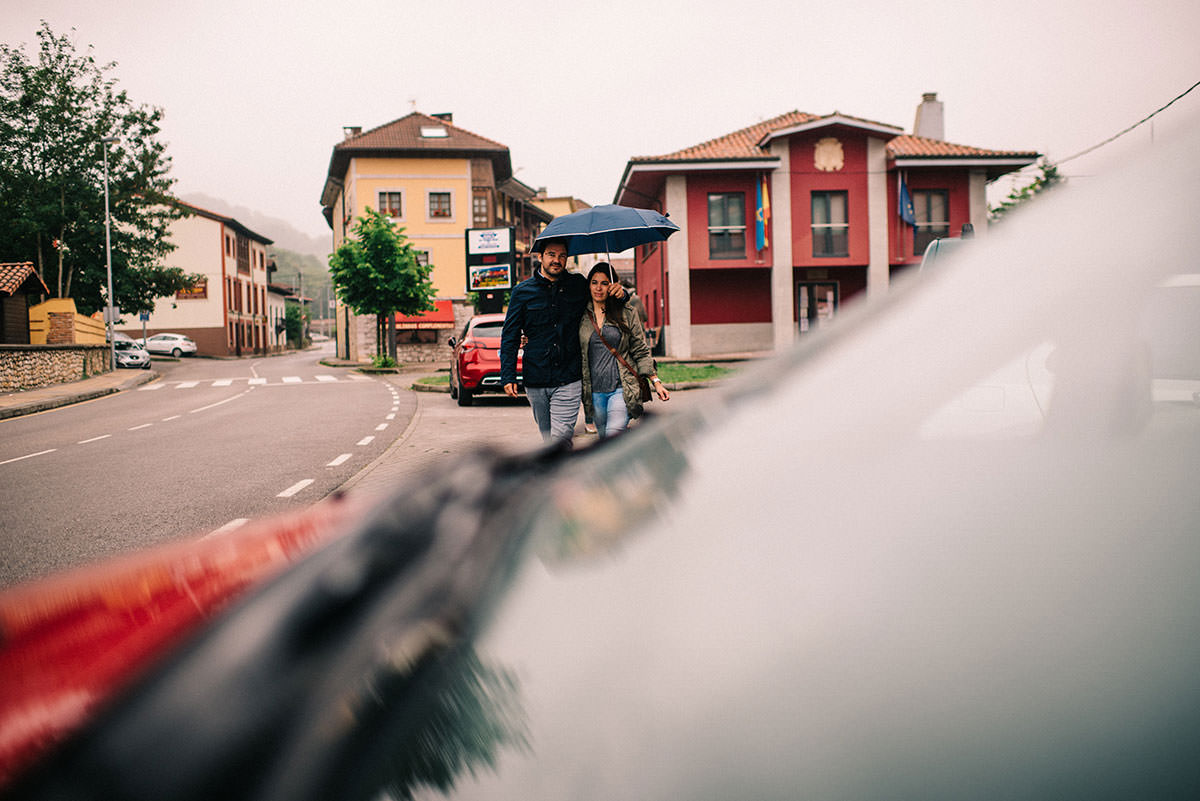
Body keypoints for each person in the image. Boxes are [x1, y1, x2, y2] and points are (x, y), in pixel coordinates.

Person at [500, 239, 624, 445]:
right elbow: (510, 335)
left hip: (569, 378)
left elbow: (602, 295)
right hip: (535, 377)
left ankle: (560, 472)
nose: (557, 260)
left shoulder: (578, 285)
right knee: (548, 439)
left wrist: (621, 293)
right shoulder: (522, 292)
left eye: (562, 256)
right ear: (540, 256)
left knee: (560, 439)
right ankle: (552, 470)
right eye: (551, 255)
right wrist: (508, 375)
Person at [580, 263, 669, 438]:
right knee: (605, 441)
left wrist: (655, 381)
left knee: (614, 435)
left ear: (613, 285)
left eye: (604, 283)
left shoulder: (626, 312)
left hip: (621, 388)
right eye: (594, 282)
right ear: (588, 285)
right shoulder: (580, 314)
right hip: (594, 391)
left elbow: (640, 349)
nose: (598, 288)